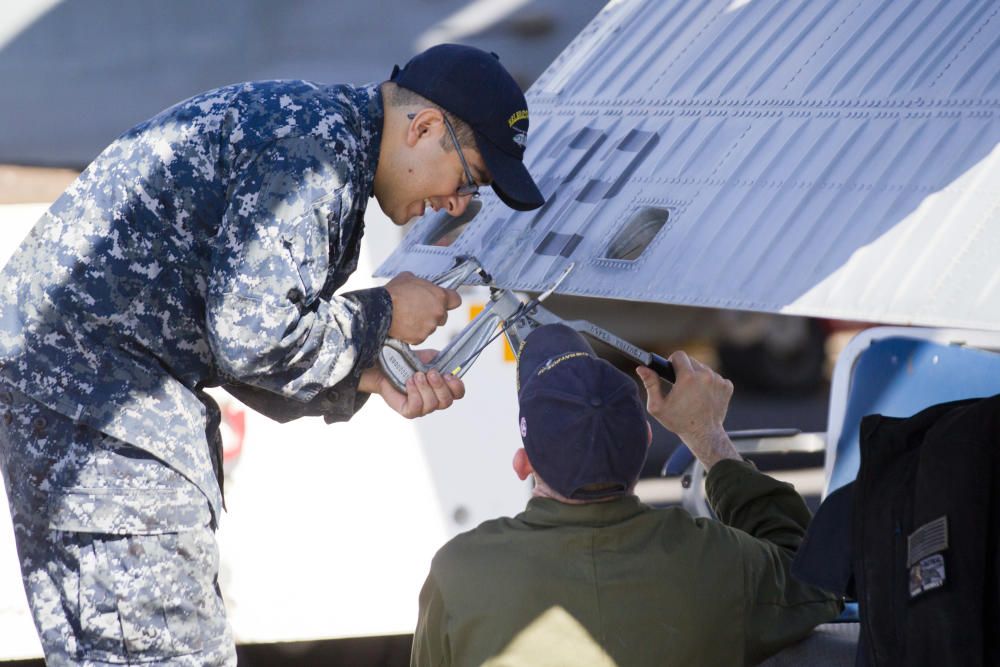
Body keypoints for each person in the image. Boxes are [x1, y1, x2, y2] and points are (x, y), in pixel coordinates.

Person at [0, 44, 544, 665]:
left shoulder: (322, 135)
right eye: (470, 179)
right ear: (423, 128)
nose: (457, 205)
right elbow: (251, 335)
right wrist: (385, 312)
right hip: (105, 427)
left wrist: (368, 376)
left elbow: (240, 343)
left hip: (79, 412)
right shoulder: (316, 157)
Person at [411, 324, 842, 667]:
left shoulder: (460, 573)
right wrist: (708, 438)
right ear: (645, 441)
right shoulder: (721, 562)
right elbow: (816, 582)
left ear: (524, 462)